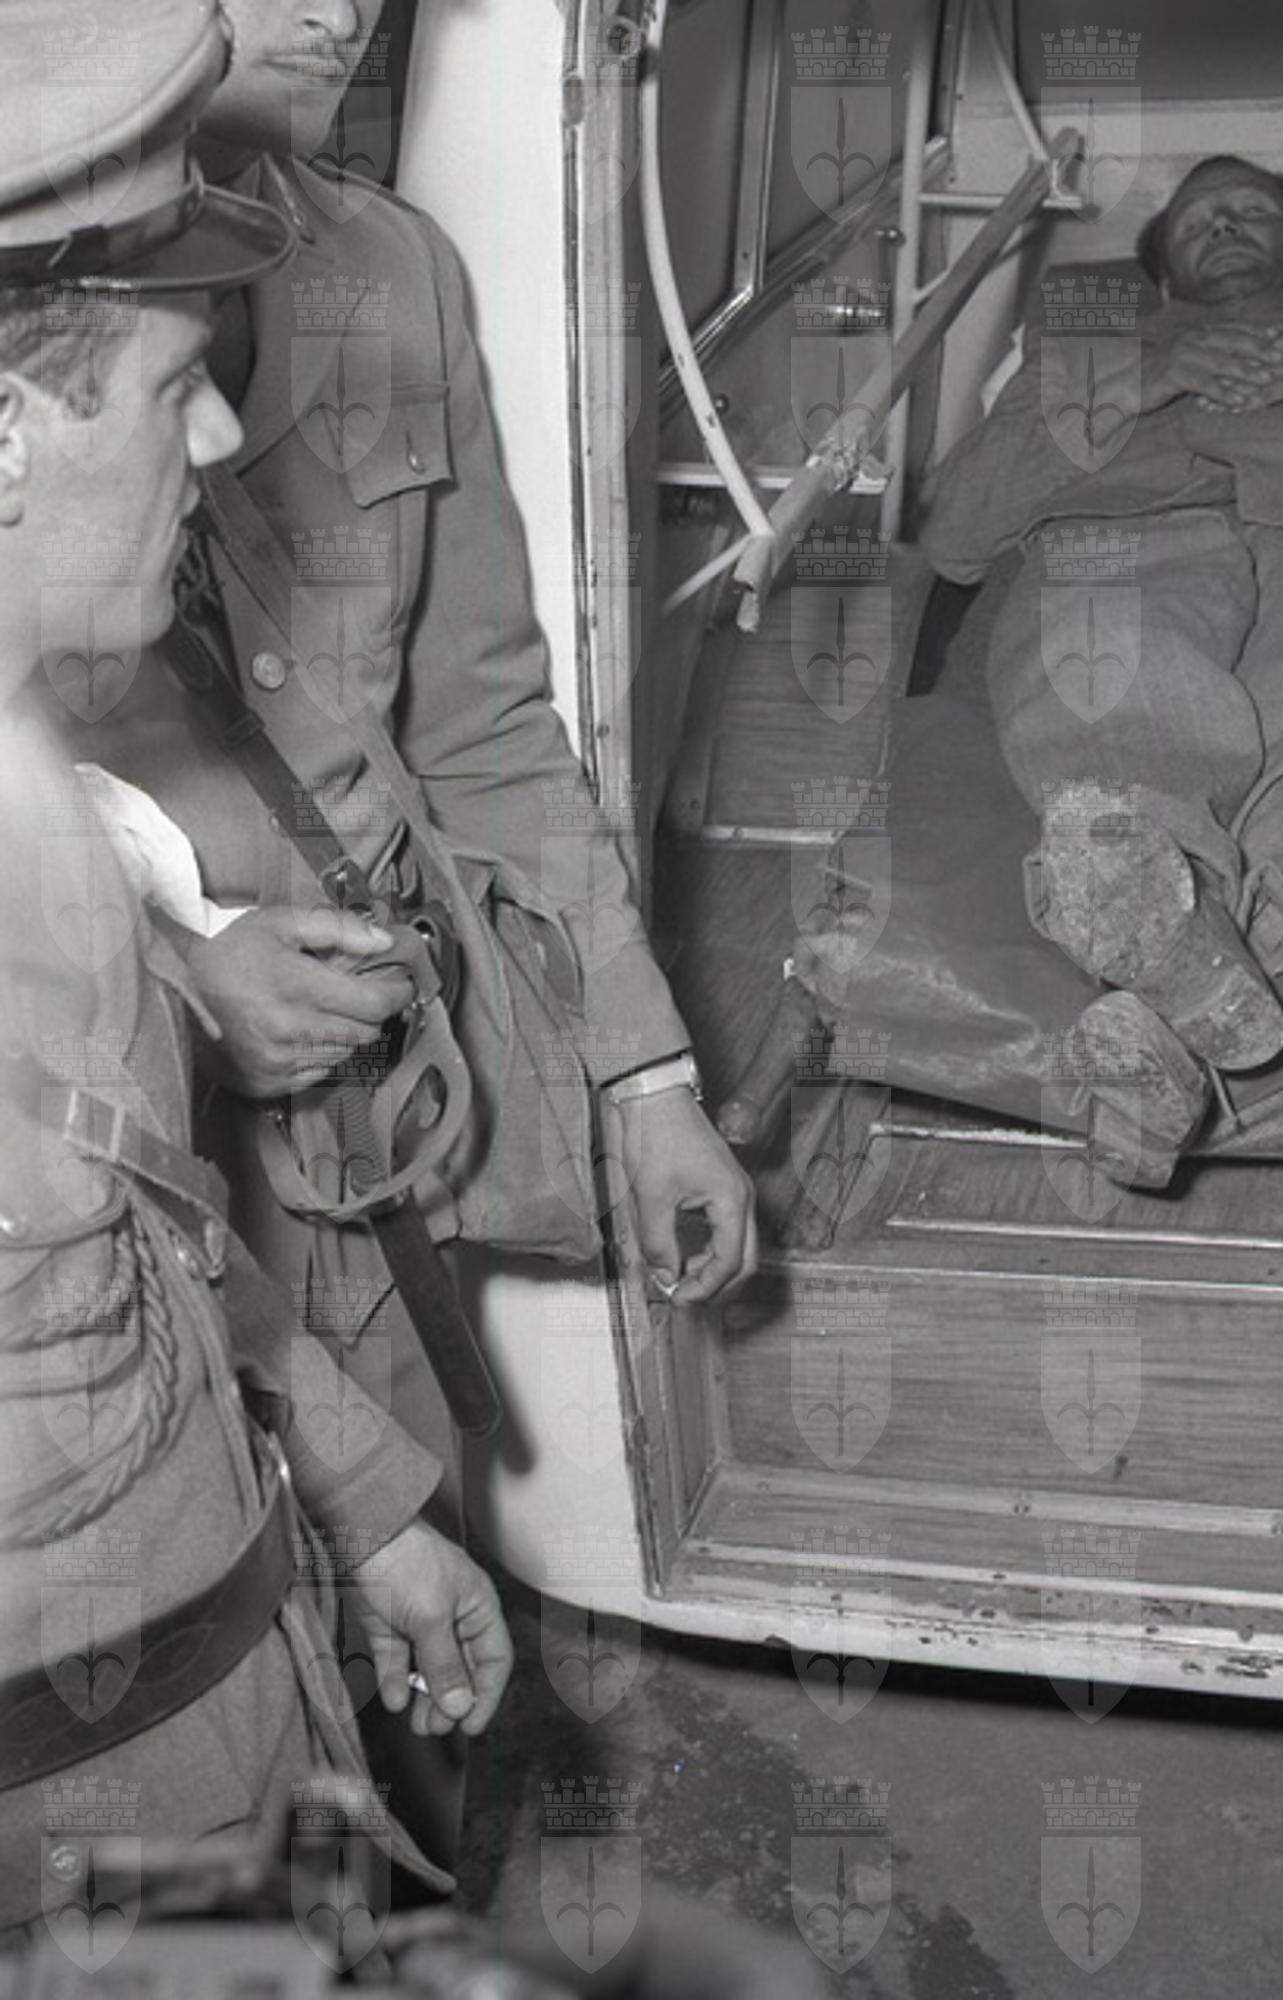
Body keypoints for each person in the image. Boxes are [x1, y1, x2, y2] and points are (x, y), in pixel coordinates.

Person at [41, 0, 756, 1863]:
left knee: (404, 1646)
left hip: (365, 1147)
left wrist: (646, 1077)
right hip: (117, 1147)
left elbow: (488, 723)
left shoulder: (392, 273)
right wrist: (182, 967)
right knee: (178, 1711)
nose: (340, 11)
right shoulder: (31, 265)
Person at [0, 0, 512, 1937]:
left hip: (223, 1731)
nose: (218, 436)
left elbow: (145, 1249)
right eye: (170, 387)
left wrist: (357, 1506)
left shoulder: (48, 808)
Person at [918, 156, 1283, 1185]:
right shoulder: (1083, 346)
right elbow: (955, 534)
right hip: (1128, 525)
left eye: (1251, 209)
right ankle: (1153, 900)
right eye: (1197, 217)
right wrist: (1143, 379)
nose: (1224, 224)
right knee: (1115, 686)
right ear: (1158, 267)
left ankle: (1164, 1033)